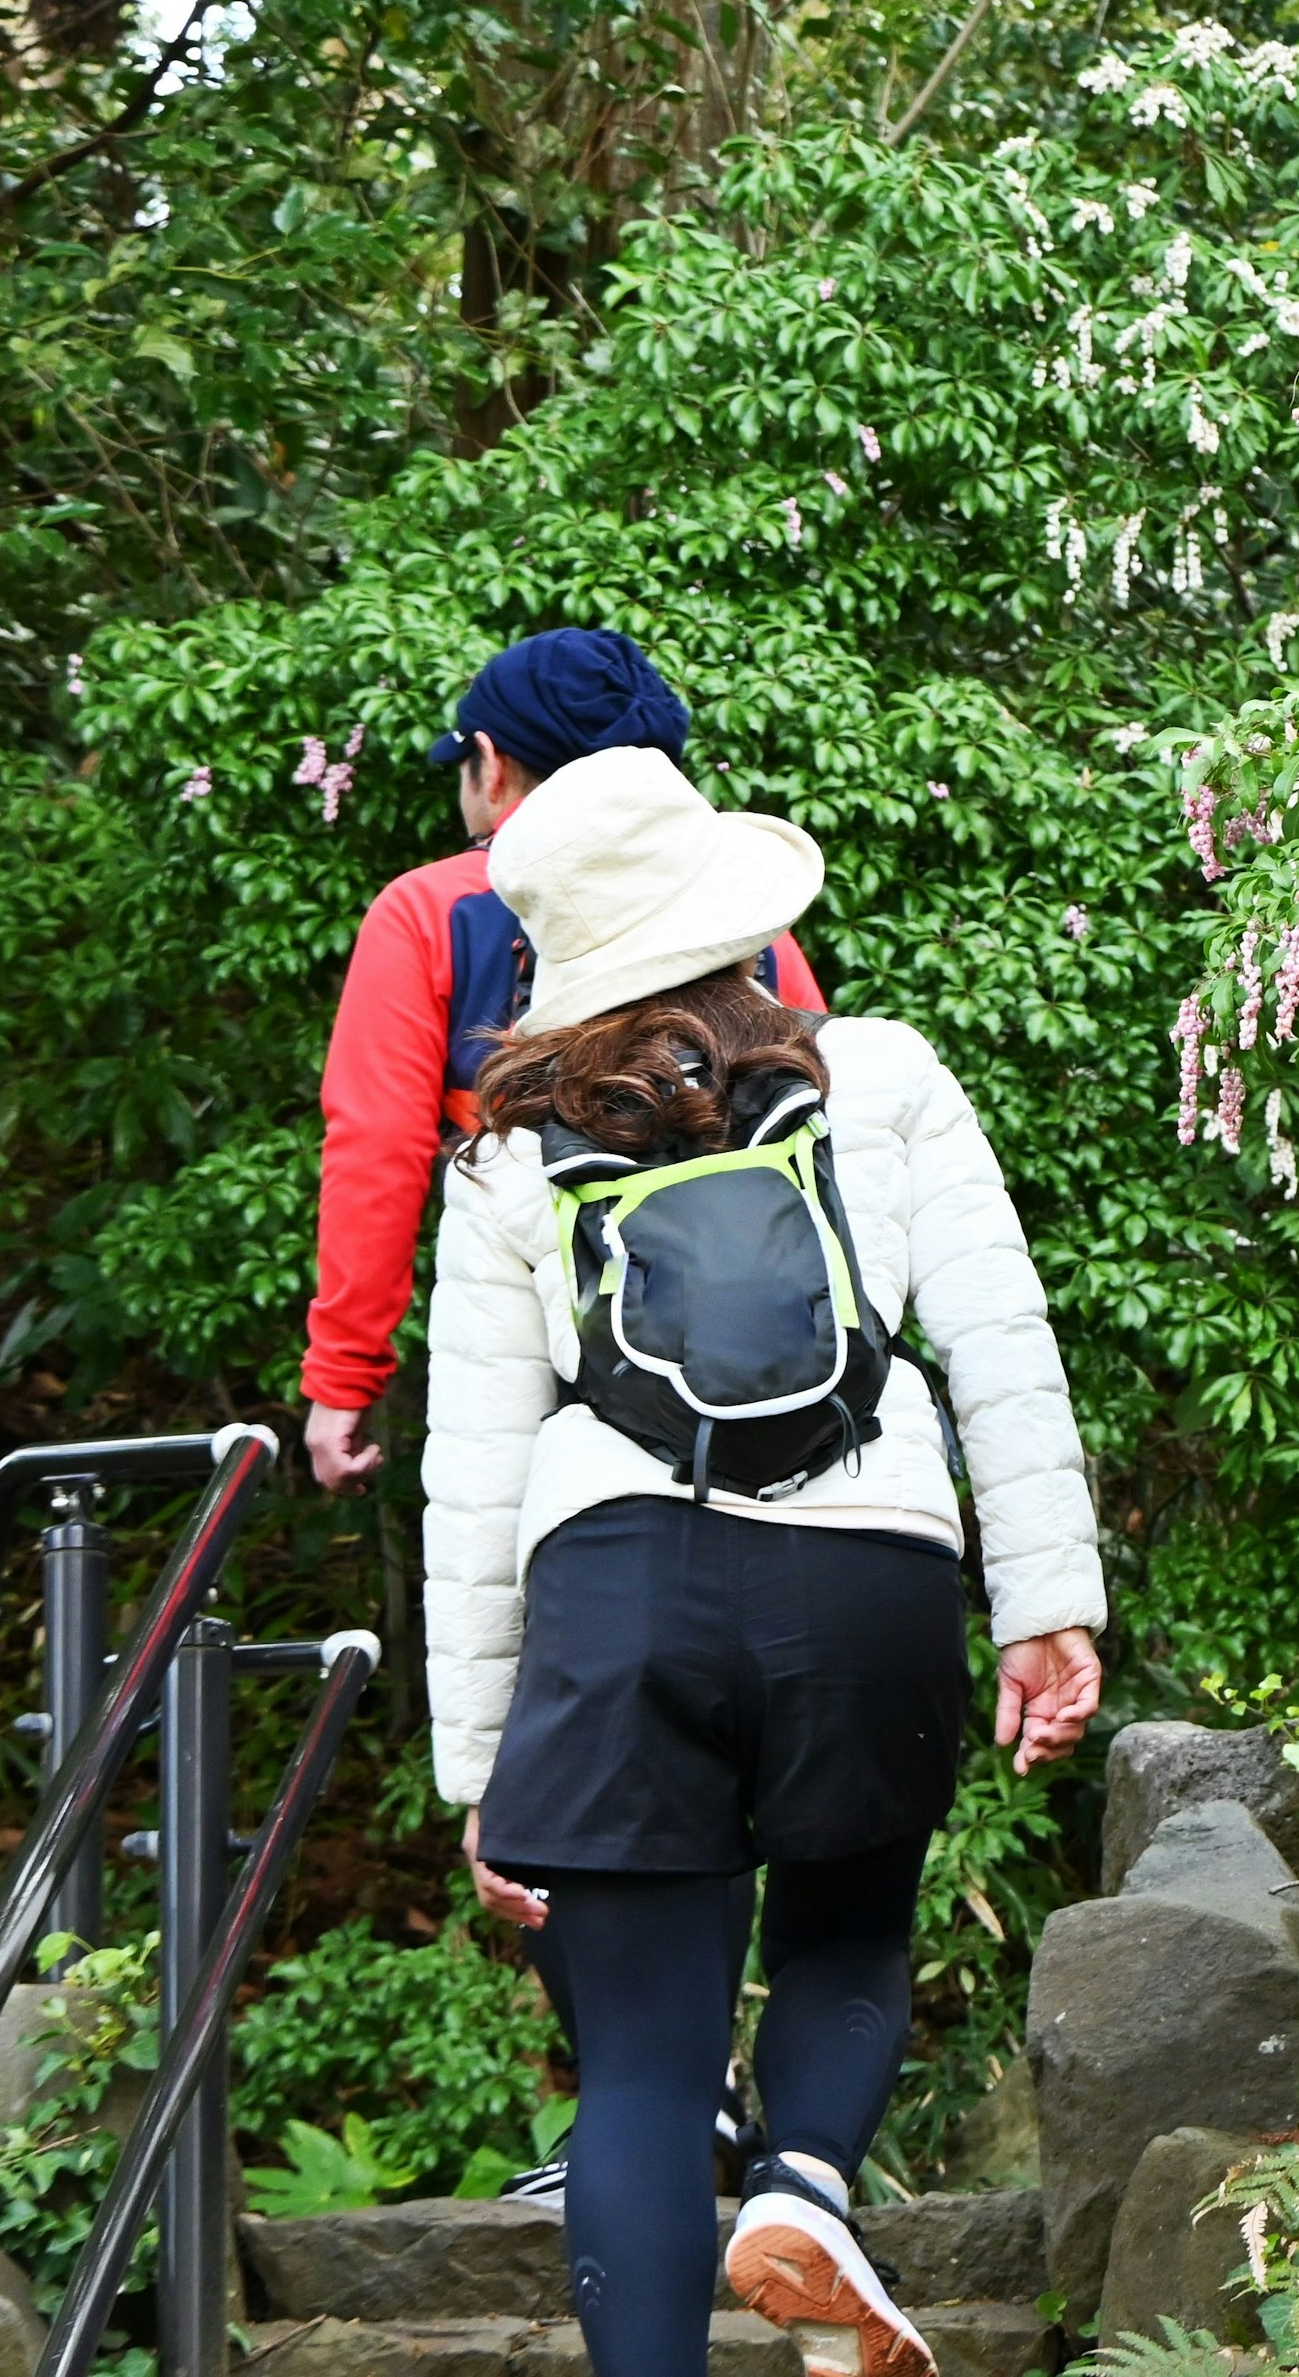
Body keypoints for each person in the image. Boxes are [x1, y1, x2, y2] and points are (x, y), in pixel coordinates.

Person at [420, 747, 1105, 2377]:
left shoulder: (507, 1158)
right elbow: (1000, 1340)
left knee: (646, 2075)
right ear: (732, 915)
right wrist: (1048, 1604)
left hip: (621, 1579)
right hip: (865, 1565)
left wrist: (479, 1765)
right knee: (848, 1931)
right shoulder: (877, 1072)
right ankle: (802, 2182)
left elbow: (473, 1476)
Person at [301, 629, 824, 1496]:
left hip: (542, 1354)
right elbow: (823, 1125)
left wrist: (344, 1378)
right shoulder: (747, 919)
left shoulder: (429, 914)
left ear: (490, 763)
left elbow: (377, 1154)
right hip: (769, 1356)